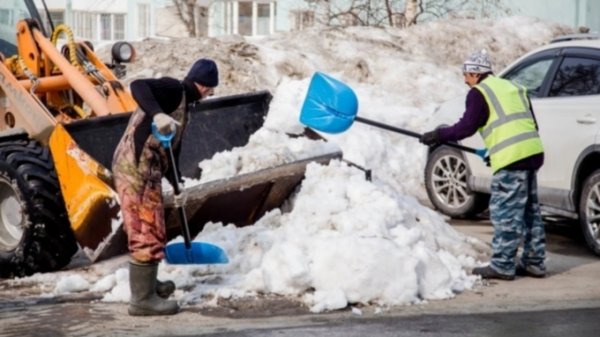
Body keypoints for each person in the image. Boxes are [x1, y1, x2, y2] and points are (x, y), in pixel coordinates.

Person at [420, 50, 546, 281]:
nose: (465, 80)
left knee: (505, 212)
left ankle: (503, 265)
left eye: (466, 75)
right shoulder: (512, 88)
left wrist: (439, 134)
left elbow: (466, 127)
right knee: (529, 211)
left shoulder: (479, 93)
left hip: (512, 158)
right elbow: (525, 123)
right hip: (532, 152)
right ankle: (534, 262)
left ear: (476, 74)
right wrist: (496, 149)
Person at [112, 58, 219, 316]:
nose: (208, 93)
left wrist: (178, 185)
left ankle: (149, 285)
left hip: (149, 170)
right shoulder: (173, 89)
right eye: (208, 87)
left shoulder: (185, 107)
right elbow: (137, 86)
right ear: (201, 84)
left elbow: (173, 152)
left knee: (154, 225)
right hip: (134, 168)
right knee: (145, 227)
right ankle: (142, 300)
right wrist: (157, 113)